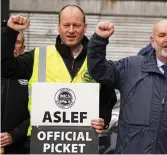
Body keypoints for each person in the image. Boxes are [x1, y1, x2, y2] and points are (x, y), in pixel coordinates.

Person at [2, 5, 116, 147]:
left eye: (76, 25)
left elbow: (108, 98)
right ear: (59, 27)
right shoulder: (39, 56)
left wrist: (102, 120)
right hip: (43, 144)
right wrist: (10, 33)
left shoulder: (96, 61)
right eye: (66, 25)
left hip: (81, 145)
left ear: (85, 27)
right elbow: (6, 68)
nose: (71, 30)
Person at [87, 20, 167, 153]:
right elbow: (98, 70)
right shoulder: (130, 67)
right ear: (152, 41)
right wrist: (99, 40)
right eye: (162, 35)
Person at [1, 23, 30, 154]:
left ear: (23, 48)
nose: (13, 46)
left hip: (20, 147)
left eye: (17, 42)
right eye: (9, 41)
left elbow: (39, 112)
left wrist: (14, 135)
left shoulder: (32, 75)